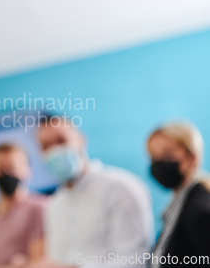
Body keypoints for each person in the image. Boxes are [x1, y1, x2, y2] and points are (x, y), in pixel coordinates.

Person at [35, 115, 153, 268]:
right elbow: (57, 260)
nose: (55, 151)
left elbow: (137, 260)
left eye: (61, 141)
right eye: (46, 146)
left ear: (81, 140)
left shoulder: (121, 188)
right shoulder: (54, 204)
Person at [147, 122, 210, 267]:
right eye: (153, 157)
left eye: (167, 155)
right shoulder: (178, 209)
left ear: (191, 158)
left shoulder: (200, 213)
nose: (158, 163)